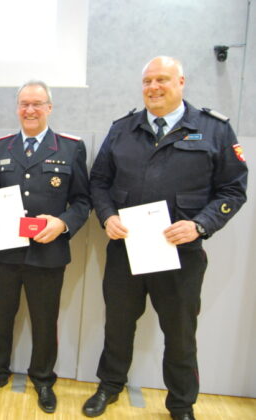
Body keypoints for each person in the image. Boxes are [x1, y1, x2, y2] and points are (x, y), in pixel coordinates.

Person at [83, 56, 248, 420]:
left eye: (162, 80)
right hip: (126, 250)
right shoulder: (122, 129)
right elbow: (99, 182)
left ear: (181, 82)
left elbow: (233, 190)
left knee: (180, 333)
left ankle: (181, 404)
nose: (153, 88)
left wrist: (201, 225)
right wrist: (107, 216)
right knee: (118, 324)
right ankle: (109, 387)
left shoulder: (214, 129)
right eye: (147, 82)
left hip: (181, 253)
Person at [0, 81, 91, 413]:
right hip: (6, 252)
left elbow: (82, 201)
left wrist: (63, 223)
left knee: (44, 320)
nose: (30, 110)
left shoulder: (70, 147)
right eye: (24, 104)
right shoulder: (0, 147)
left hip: (48, 252)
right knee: (0, 317)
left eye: (37, 104)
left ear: (49, 108)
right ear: (17, 108)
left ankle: (43, 379)